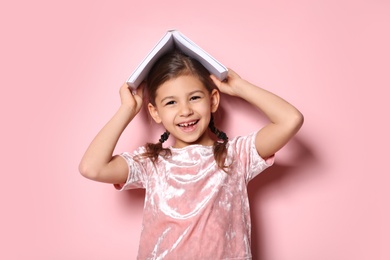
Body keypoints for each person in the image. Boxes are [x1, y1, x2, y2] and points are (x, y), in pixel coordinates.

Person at [79, 50, 304, 259]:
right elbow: (92, 167)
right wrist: (126, 110)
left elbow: (290, 119)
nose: (185, 110)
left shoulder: (236, 155)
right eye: (171, 102)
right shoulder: (151, 163)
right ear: (155, 112)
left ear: (213, 100)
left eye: (194, 98)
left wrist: (240, 88)